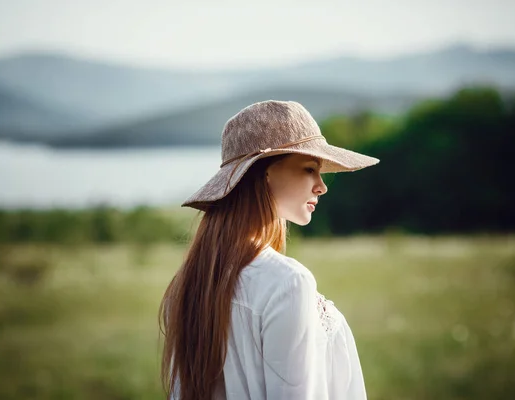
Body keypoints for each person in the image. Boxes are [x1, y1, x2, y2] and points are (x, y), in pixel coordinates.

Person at [158, 100, 379, 400]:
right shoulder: (287, 283)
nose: (321, 186)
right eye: (309, 169)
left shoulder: (189, 283)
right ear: (265, 174)